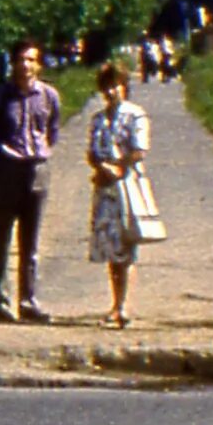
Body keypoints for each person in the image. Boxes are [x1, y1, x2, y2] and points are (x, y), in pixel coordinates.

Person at [0, 39, 62, 324]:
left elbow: (52, 132)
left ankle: (28, 301)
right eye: (21, 59)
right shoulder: (0, 96)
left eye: (31, 59)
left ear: (39, 64)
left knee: (30, 243)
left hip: (36, 171)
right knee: (1, 240)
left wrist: (37, 154)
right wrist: (2, 159)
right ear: (13, 64)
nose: (26, 65)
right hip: (6, 172)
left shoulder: (49, 96)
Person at [84, 61, 153, 328]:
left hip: (128, 184)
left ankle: (123, 306)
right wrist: (101, 166)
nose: (112, 91)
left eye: (116, 85)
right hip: (104, 186)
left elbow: (140, 150)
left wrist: (118, 165)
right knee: (111, 247)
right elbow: (92, 151)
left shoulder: (136, 115)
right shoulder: (98, 119)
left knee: (126, 244)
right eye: (107, 86)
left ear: (125, 86)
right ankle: (115, 304)